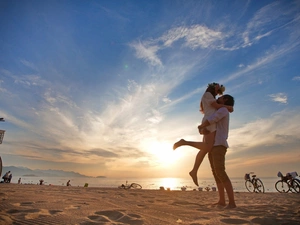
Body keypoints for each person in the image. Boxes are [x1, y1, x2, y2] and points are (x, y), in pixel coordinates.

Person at [173, 83, 232, 186]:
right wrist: (228, 107)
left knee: (204, 149)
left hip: (208, 121)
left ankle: (194, 171)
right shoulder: (208, 95)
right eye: (218, 91)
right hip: (210, 122)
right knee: (208, 147)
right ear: (214, 88)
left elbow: (217, 108)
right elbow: (217, 106)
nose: (218, 94)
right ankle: (184, 142)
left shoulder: (209, 97)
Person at [198, 94, 236, 208]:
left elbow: (213, 119)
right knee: (216, 173)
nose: (218, 98)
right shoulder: (222, 109)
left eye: (221, 97)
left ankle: (232, 202)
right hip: (213, 145)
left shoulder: (223, 110)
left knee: (220, 172)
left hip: (219, 144)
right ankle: (221, 200)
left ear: (225, 100)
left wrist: (201, 126)